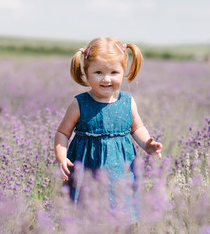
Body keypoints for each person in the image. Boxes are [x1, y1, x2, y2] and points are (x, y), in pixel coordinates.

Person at [54, 37, 162, 222]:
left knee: (121, 214)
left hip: (120, 172)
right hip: (86, 171)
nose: (106, 79)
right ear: (86, 73)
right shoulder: (79, 104)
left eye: (114, 72)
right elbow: (62, 133)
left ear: (123, 72)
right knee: (86, 217)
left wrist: (147, 144)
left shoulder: (127, 102)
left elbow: (137, 127)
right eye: (98, 72)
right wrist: (61, 157)